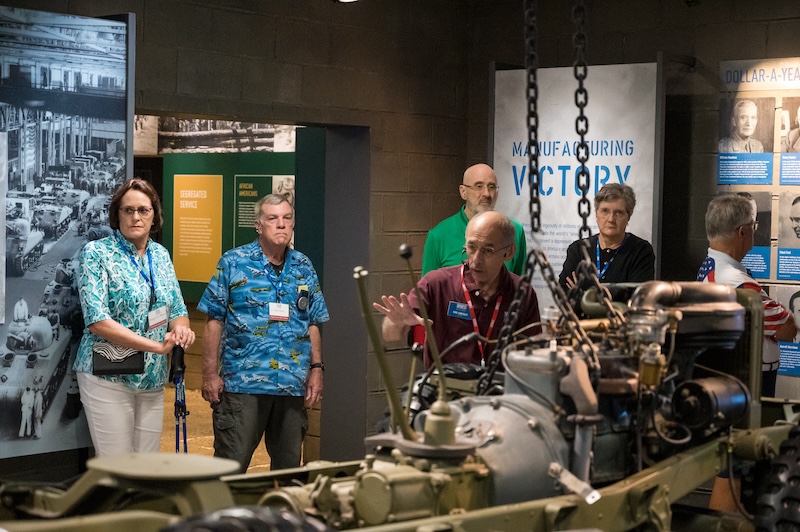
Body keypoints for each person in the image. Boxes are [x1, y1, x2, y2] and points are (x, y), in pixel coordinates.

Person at [198, 194, 329, 474]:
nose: (281, 224)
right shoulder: (234, 262)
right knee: (230, 468)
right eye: (273, 218)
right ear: (259, 225)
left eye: (287, 218)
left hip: (291, 384)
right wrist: (210, 374)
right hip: (243, 384)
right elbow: (213, 319)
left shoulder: (303, 266)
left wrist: (317, 368)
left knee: (288, 470)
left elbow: (314, 321)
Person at [75, 178, 195, 456]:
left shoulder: (161, 255)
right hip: (107, 374)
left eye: (143, 210)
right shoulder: (97, 253)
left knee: (147, 467)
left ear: (154, 215)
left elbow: (177, 310)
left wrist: (181, 331)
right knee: (118, 466)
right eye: (128, 210)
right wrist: (156, 346)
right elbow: (97, 320)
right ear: (117, 215)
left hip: (151, 377)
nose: (136, 217)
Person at [375, 211, 541, 369]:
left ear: (509, 252)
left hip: (499, 392)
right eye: (472, 247)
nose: (476, 259)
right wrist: (397, 323)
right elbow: (389, 335)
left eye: (488, 250)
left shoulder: (522, 293)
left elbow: (533, 351)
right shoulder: (437, 283)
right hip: (445, 391)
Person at [696, 194, 796, 398]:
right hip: (749, 378)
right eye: (753, 225)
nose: (754, 230)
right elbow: (788, 328)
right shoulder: (736, 280)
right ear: (742, 232)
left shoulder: (715, 268)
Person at [421, 163, 528, 276]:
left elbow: (521, 287)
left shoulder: (514, 231)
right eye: (479, 186)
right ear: (463, 192)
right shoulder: (439, 236)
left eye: (491, 187)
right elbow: (428, 291)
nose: (486, 193)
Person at [558, 183, 655, 296]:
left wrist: (583, 295)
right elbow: (563, 295)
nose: (611, 219)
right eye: (605, 211)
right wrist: (617, 295)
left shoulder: (641, 251)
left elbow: (637, 298)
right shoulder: (578, 250)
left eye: (618, 213)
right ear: (596, 213)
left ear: (629, 216)